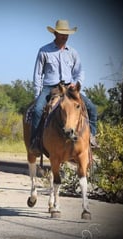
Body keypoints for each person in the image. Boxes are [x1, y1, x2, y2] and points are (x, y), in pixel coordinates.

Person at [30, 19, 99, 154]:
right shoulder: (44, 51)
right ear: (55, 33)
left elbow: (79, 71)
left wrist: (77, 82)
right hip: (49, 88)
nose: (64, 36)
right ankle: (35, 142)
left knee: (92, 108)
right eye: (62, 33)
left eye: (66, 34)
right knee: (38, 110)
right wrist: (38, 95)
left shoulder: (72, 52)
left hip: (69, 88)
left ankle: (91, 137)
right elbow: (38, 74)